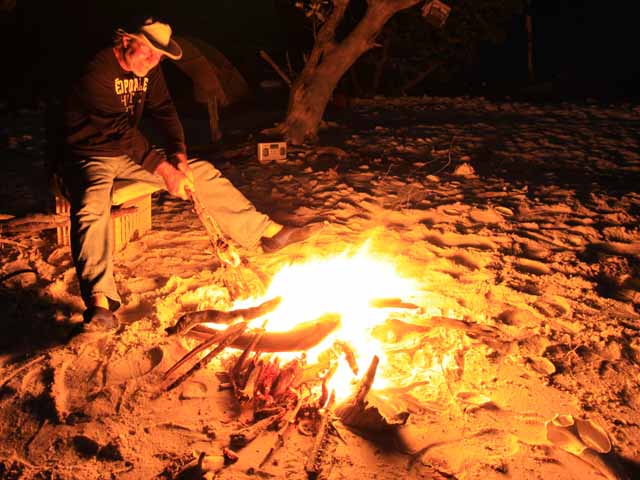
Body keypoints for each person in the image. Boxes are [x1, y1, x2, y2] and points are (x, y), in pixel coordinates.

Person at [60, 17, 320, 331]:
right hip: (88, 154)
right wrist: (165, 170)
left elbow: (165, 109)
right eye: (148, 52)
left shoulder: (149, 68)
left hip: (127, 155)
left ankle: (268, 233)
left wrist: (179, 156)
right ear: (126, 41)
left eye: (159, 56)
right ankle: (100, 303)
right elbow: (119, 131)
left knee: (202, 173)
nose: (153, 61)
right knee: (91, 205)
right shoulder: (96, 70)